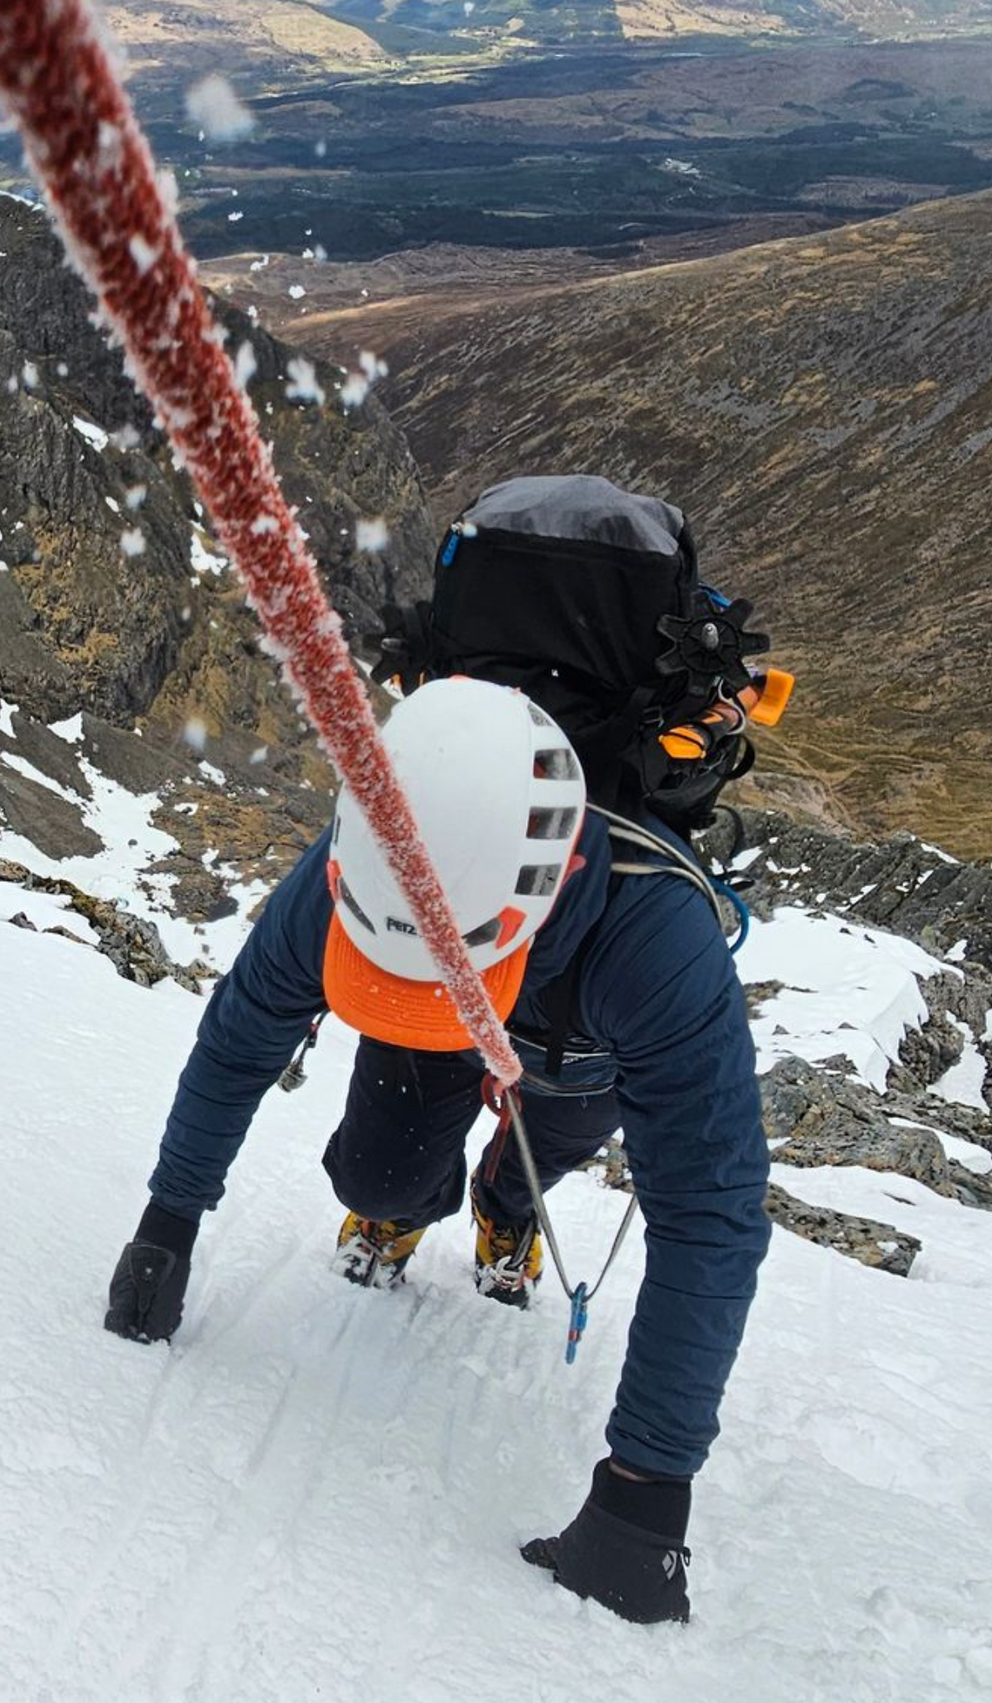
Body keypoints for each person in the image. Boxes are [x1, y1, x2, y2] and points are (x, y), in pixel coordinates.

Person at [102, 473, 778, 1626]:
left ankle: (506, 1210)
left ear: (546, 898)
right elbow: (239, 1038)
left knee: (537, 1152)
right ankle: (401, 1204)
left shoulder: (654, 942)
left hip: (581, 1052)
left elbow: (709, 1212)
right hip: (538, 1019)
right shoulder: (353, 873)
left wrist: (646, 1494)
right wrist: (167, 1222)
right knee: (373, 1164)